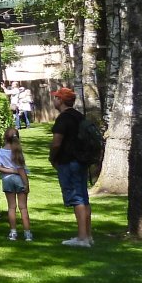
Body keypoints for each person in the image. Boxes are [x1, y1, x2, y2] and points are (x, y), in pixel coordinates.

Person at [49, 86, 93, 246]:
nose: (54, 100)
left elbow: (56, 143)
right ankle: (88, 236)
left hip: (69, 161)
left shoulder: (63, 118)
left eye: (55, 97)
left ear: (60, 100)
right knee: (83, 198)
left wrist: (52, 158)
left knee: (77, 198)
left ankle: (82, 238)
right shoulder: (79, 116)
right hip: (81, 161)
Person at [0, 126, 32, 241]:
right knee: (23, 208)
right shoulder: (18, 152)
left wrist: (10, 170)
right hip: (19, 179)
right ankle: (27, 234)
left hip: (7, 180)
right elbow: (21, 170)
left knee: (11, 207)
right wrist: (26, 184)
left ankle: (13, 233)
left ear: (4, 138)